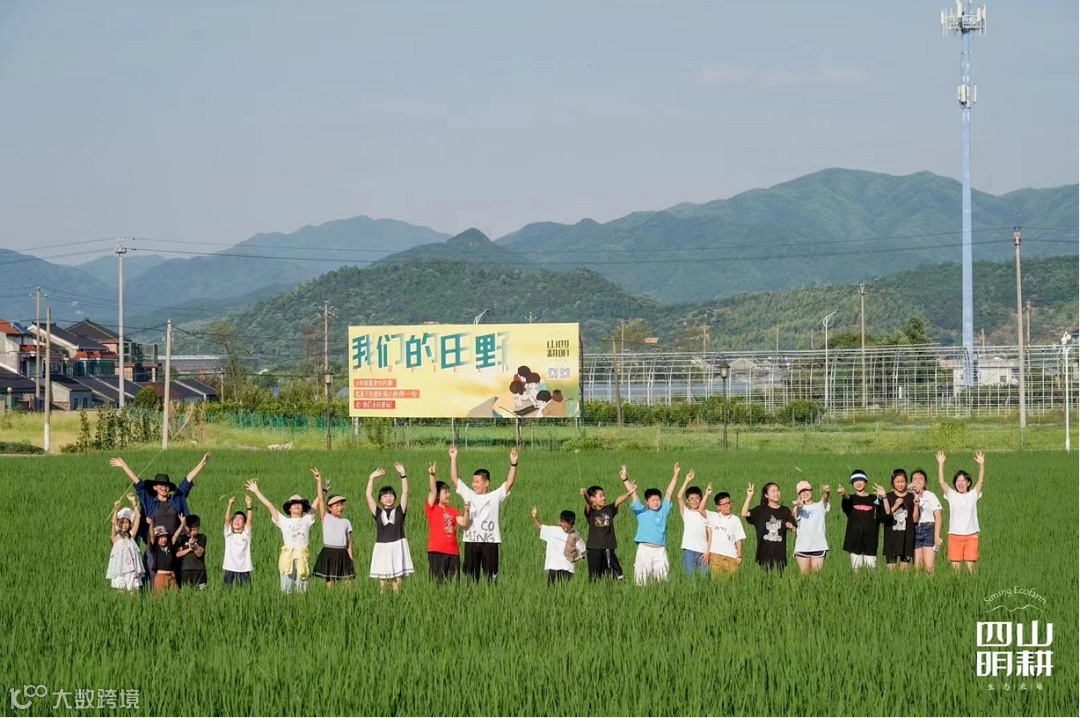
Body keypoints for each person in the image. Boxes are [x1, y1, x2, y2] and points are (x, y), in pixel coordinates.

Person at [110, 453, 209, 584]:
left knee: (175, 578)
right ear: (155, 487)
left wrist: (202, 463)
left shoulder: (176, 500)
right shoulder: (151, 502)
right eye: (161, 485)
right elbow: (138, 484)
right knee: (152, 577)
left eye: (166, 485)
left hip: (173, 544)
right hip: (154, 546)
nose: (164, 487)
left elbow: (187, 481)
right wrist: (124, 466)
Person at [451, 445, 519, 582]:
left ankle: (490, 594)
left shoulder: (495, 496)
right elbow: (455, 479)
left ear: (486, 483)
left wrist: (513, 463)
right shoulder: (469, 494)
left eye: (477, 482)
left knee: (491, 578)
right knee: (471, 578)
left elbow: (509, 482)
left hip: (490, 541)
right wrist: (453, 458)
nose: (474, 484)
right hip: (471, 541)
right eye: (473, 482)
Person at [247, 476, 320, 594]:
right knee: (286, 590)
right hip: (287, 558)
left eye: (299, 504)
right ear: (289, 508)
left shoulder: (307, 519)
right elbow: (269, 506)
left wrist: (323, 489)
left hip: (302, 558)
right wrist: (256, 491)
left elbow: (317, 503)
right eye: (294, 504)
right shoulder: (283, 521)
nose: (297, 506)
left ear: (303, 508)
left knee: (303, 591)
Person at [624, 463, 680, 586]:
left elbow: (669, 493)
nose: (656, 502)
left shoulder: (663, 511)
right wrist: (625, 479)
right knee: (641, 579)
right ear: (647, 502)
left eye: (658, 500)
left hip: (660, 550)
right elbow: (633, 494)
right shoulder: (641, 511)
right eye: (653, 500)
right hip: (644, 549)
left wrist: (675, 476)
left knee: (663, 579)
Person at [366, 464, 414, 592]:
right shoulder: (378, 513)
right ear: (380, 500)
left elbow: (405, 493)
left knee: (397, 583)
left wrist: (403, 474)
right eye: (385, 496)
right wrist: (371, 478)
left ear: (395, 498)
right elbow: (368, 496)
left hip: (398, 546)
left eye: (391, 495)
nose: (388, 498)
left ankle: (397, 601)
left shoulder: (399, 511)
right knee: (383, 585)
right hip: (382, 548)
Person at [937, 450, 985, 573]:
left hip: (971, 536)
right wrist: (941, 464)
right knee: (955, 569)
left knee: (971, 568)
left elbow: (980, 482)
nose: (960, 483)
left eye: (963, 481)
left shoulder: (973, 495)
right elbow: (942, 482)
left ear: (968, 483)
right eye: (958, 481)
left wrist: (981, 464)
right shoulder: (952, 495)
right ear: (955, 483)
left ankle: (972, 585)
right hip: (954, 536)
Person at [425, 461, 470, 583]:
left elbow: (464, 523)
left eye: (449, 492)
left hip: (453, 551)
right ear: (438, 495)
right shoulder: (432, 508)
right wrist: (432, 476)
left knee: (453, 583)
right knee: (437, 582)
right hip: (436, 551)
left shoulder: (452, 510)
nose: (448, 494)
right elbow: (433, 491)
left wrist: (467, 511)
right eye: (445, 492)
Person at [580, 482, 634, 581]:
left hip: (608, 548)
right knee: (595, 576)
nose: (604, 498)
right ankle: (595, 589)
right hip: (594, 548)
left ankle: (616, 587)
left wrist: (629, 493)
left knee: (617, 573)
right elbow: (588, 502)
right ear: (593, 498)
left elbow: (617, 501)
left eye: (604, 495)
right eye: (601, 496)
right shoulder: (591, 512)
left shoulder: (609, 509)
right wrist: (585, 494)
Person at [312, 468, 355, 588]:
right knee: (331, 583)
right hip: (329, 552)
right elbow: (321, 499)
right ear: (330, 508)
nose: (340, 508)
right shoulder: (326, 517)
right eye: (336, 505)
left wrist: (350, 558)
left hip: (343, 553)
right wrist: (319, 481)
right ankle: (331, 598)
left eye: (341, 505)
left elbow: (349, 543)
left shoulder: (346, 522)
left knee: (348, 582)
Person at [741, 482, 795, 572]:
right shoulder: (760, 510)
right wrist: (749, 496)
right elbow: (744, 513)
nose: (776, 493)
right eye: (773, 491)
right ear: (766, 495)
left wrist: (791, 527)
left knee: (779, 577)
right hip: (764, 553)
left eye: (777, 491)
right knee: (764, 577)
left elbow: (794, 529)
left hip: (780, 554)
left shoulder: (785, 510)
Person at [837, 470, 882, 570]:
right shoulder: (851, 499)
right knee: (856, 569)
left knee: (871, 569)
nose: (858, 483)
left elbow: (883, 515)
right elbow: (847, 499)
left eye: (861, 480)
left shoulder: (874, 499)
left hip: (871, 541)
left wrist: (884, 496)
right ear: (852, 483)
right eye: (855, 480)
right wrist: (844, 494)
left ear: (866, 482)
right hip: (854, 541)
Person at [530, 507, 585, 584]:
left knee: (566, 589)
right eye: (564, 527)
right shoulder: (553, 531)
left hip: (568, 569)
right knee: (551, 589)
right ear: (560, 522)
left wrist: (578, 558)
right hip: (553, 566)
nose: (566, 529)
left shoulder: (575, 535)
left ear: (573, 524)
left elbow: (582, 550)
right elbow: (540, 526)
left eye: (568, 527)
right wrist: (535, 517)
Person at [877, 469, 915, 571]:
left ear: (906, 482)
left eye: (902, 481)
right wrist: (896, 505)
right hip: (891, 540)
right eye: (897, 482)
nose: (900, 484)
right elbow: (885, 517)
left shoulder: (911, 497)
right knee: (891, 571)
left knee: (904, 572)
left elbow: (915, 518)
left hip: (907, 540)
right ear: (892, 483)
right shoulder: (888, 497)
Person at [702, 489, 746, 577]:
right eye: (725, 504)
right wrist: (707, 494)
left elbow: (738, 539)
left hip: (731, 557)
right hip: (715, 557)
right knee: (717, 582)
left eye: (729, 503)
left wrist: (739, 556)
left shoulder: (735, 520)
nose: (728, 506)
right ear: (718, 507)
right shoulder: (713, 516)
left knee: (733, 582)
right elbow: (701, 509)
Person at [106, 494, 144, 592]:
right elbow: (113, 522)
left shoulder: (131, 535)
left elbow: (138, 517)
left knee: (133, 590)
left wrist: (133, 502)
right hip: (119, 568)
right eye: (122, 522)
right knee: (121, 590)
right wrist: (116, 509)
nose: (124, 525)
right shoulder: (116, 537)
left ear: (130, 524)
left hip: (132, 568)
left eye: (126, 522)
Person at [676, 469, 710, 577]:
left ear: (701, 499)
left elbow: (710, 534)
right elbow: (679, 497)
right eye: (691, 499)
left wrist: (708, 551)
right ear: (687, 501)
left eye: (697, 498)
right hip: (689, 550)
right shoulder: (686, 513)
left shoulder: (706, 514)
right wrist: (687, 480)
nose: (694, 501)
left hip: (703, 552)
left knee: (704, 579)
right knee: (689, 578)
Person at [792, 481, 830, 574]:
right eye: (802, 492)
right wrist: (799, 506)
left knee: (816, 576)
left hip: (819, 546)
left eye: (807, 490)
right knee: (804, 576)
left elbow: (825, 499)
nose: (805, 493)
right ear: (798, 495)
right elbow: (797, 512)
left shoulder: (820, 506)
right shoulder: (797, 508)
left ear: (811, 491)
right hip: (802, 547)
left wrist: (826, 492)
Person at [910, 468, 943, 574]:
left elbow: (938, 516)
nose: (918, 481)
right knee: (917, 567)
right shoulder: (909, 495)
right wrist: (910, 488)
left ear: (925, 482)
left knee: (929, 566)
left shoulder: (930, 495)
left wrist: (937, 536)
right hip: (915, 529)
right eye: (915, 479)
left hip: (928, 529)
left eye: (921, 479)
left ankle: (931, 583)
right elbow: (899, 490)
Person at [222, 494, 254, 587]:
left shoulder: (246, 535)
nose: (237, 520)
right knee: (227, 590)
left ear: (244, 524)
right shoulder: (228, 535)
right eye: (235, 518)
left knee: (246, 591)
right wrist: (230, 505)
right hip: (230, 568)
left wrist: (249, 506)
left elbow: (249, 521)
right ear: (232, 522)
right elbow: (227, 520)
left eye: (240, 519)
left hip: (244, 568)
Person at [146, 520, 180, 594]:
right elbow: (152, 536)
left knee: (175, 595)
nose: (164, 539)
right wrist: (151, 525)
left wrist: (182, 524)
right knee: (160, 597)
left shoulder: (169, 546)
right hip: (161, 576)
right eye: (161, 537)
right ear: (157, 539)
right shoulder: (156, 547)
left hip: (171, 575)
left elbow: (176, 536)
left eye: (165, 537)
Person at [175, 514, 207, 589]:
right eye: (191, 530)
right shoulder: (182, 539)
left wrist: (194, 545)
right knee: (187, 591)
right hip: (185, 570)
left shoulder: (201, 537)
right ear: (187, 528)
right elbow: (178, 554)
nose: (193, 532)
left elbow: (199, 553)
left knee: (202, 591)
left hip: (199, 570)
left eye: (195, 530)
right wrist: (189, 549)